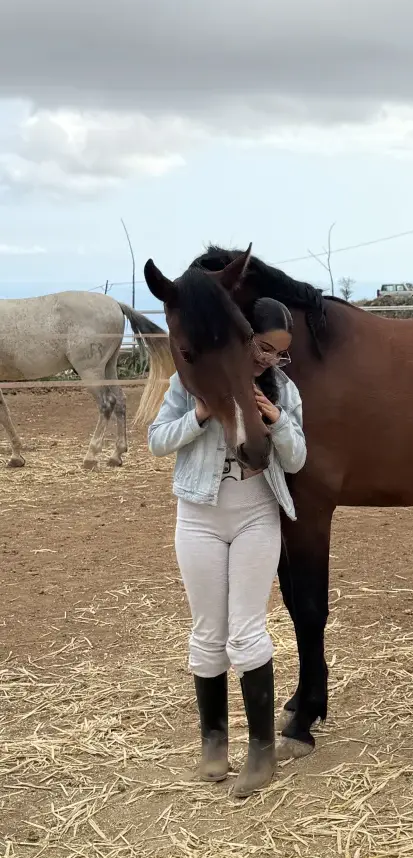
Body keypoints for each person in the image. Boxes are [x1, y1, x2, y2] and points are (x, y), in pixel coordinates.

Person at [147, 297, 306, 797]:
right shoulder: (188, 383)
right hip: (197, 517)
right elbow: (156, 440)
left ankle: (260, 749)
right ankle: (213, 741)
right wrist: (197, 414)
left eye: (279, 354)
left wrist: (278, 421)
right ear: (241, 339)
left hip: (257, 515)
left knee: (246, 630)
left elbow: (298, 460)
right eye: (262, 348)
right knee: (207, 633)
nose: (268, 360)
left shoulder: (284, 389)